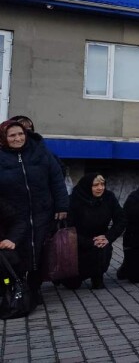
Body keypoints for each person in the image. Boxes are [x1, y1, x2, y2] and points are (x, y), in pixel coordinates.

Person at [0, 119, 68, 299]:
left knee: (39, 251)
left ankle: (35, 287)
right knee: (17, 252)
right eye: (12, 135)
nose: (17, 138)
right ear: (4, 137)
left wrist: (62, 205)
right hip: (13, 217)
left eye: (21, 134)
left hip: (41, 212)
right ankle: (17, 286)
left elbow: (56, 179)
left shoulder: (41, 152)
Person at [63, 174, 126, 290]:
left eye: (102, 184)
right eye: (95, 185)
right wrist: (89, 242)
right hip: (78, 243)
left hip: (101, 239)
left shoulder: (109, 197)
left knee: (102, 249)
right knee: (72, 285)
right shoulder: (73, 200)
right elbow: (67, 229)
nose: (100, 188)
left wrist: (108, 237)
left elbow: (121, 219)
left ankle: (97, 276)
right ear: (87, 186)